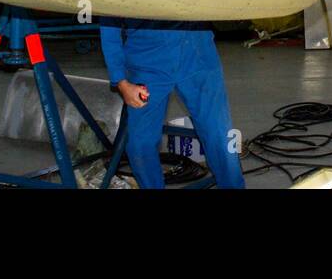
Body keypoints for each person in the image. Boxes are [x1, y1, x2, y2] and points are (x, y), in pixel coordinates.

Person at [100, 18, 245, 189]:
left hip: (198, 57)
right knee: (140, 144)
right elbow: (108, 23)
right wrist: (121, 82)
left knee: (220, 136)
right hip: (147, 64)